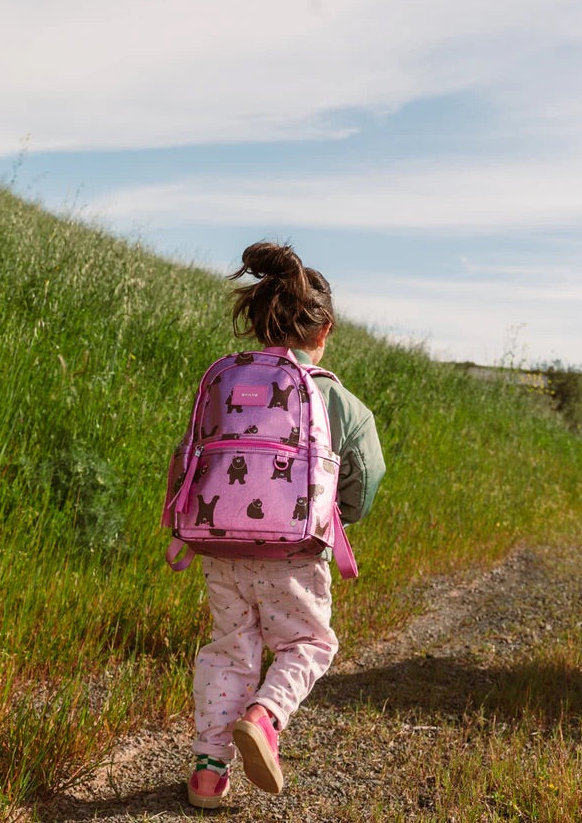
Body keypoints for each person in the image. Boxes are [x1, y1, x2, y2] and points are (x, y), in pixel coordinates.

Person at [185, 241, 386, 809]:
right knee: (308, 643)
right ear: (326, 329)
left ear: (257, 321)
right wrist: (338, 514)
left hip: (221, 545)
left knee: (229, 650)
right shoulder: (339, 400)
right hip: (294, 551)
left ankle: (207, 773)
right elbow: (366, 480)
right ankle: (265, 718)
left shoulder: (227, 384)